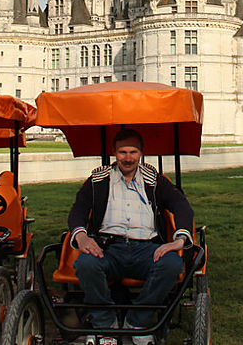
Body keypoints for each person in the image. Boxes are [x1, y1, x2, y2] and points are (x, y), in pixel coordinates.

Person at [69, 128, 193, 345]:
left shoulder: (154, 180)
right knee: (85, 263)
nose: (128, 158)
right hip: (109, 247)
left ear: (142, 153)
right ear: (114, 153)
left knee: (172, 265)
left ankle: (137, 322)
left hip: (147, 248)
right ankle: (105, 325)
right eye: (123, 152)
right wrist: (81, 236)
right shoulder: (99, 179)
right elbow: (78, 209)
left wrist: (179, 240)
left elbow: (181, 206)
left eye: (133, 152)